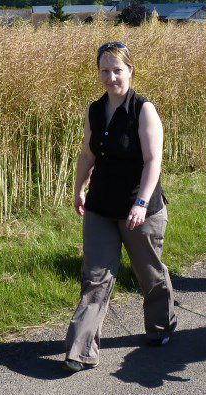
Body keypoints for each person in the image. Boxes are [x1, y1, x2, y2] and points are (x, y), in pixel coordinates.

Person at [64, 41, 176, 372]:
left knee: (150, 274)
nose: (111, 77)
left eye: (117, 70)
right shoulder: (94, 110)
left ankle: (161, 327)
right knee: (95, 277)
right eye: (104, 70)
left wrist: (141, 203)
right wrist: (78, 188)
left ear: (130, 71)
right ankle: (80, 350)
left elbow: (153, 160)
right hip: (100, 207)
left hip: (140, 210)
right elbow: (88, 154)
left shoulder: (144, 109)